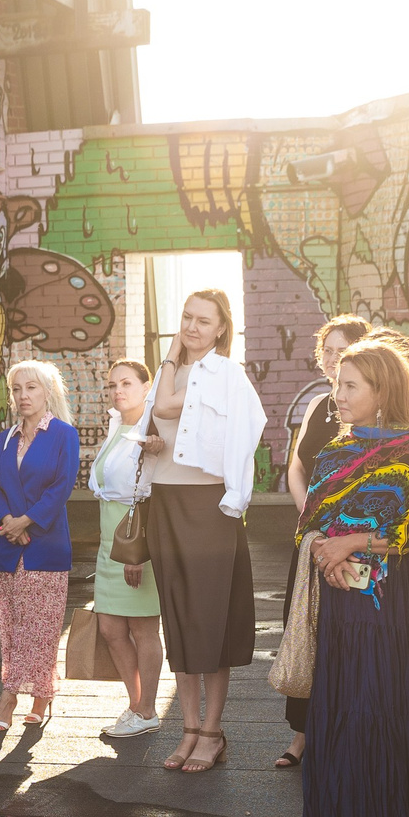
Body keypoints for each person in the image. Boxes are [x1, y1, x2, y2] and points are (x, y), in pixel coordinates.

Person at [293, 337, 409, 817]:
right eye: (337, 384)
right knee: (342, 711)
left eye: (349, 386)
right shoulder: (336, 448)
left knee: (382, 709)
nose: (337, 394)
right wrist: (326, 550)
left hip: (388, 606)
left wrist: (353, 544)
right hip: (341, 604)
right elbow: (312, 518)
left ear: (382, 390)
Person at [136, 288, 267, 771]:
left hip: (209, 506)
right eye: (186, 317)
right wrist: (148, 445)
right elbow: (157, 421)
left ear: (220, 329)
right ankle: (188, 728)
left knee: (212, 621)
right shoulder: (171, 376)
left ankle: (212, 732)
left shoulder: (225, 374)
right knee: (179, 620)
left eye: (203, 320)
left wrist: (169, 359)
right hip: (165, 501)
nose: (192, 327)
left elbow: (168, 408)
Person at [277, 315, 372, 768]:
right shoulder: (319, 405)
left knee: (343, 632)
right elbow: (297, 465)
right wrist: (307, 513)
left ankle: (341, 733)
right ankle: (301, 734)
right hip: (312, 533)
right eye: (327, 351)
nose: (331, 360)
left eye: (341, 351)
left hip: (353, 540)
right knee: (301, 627)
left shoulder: (375, 410)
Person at [0, 359, 81, 731]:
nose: (24, 396)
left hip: (44, 545)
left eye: (32, 388)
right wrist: (6, 521)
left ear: (48, 391)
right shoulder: (6, 437)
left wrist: (28, 520)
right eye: (17, 389)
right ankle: (39, 693)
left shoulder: (63, 435)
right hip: (9, 547)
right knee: (12, 626)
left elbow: (61, 486)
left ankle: (13, 699)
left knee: (40, 627)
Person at [88, 358, 164, 739]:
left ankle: (148, 708)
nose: (118, 390)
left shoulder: (150, 432)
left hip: (135, 544)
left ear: (146, 387)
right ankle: (135, 706)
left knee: (143, 627)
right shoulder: (117, 425)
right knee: (110, 628)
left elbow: (150, 496)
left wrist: (139, 554)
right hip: (108, 545)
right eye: (113, 384)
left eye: (127, 383)